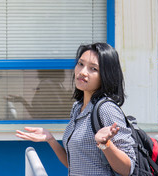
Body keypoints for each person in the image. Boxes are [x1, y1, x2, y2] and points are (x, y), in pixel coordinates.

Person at [16, 43, 136, 176]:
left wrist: (105, 144)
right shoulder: (78, 107)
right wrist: (50, 139)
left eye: (93, 69)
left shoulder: (106, 109)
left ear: (106, 75)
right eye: (80, 64)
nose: (83, 72)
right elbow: (74, 163)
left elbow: (127, 169)